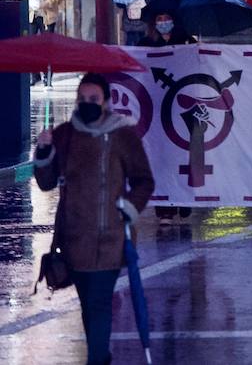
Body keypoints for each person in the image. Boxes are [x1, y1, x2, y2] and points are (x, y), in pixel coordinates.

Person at [32, 72, 155, 365]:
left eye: (94, 99)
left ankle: (97, 360)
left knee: (99, 304)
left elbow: (144, 180)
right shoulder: (64, 134)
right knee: (89, 307)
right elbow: (47, 183)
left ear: (107, 102)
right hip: (73, 241)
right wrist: (45, 150)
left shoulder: (123, 135)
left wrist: (129, 206)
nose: (87, 103)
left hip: (109, 240)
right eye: (82, 99)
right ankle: (102, 355)